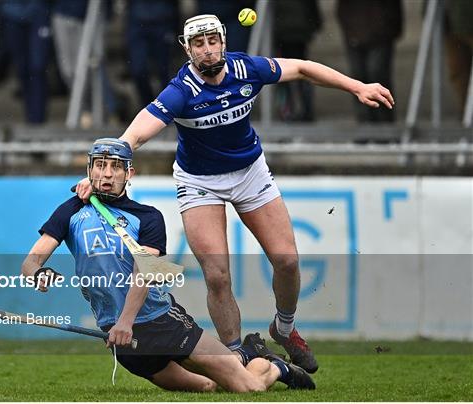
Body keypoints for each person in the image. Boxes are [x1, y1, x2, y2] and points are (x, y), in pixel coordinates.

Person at [76, 15, 394, 374]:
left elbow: (303, 68)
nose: (208, 49)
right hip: (199, 181)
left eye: (213, 41)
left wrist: (357, 86)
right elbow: (134, 136)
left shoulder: (247, 69)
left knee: (287, 260)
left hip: (250, 172)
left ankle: (285, 330)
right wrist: (102, 170)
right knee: (217, 275)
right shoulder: (181, 91)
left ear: (224, 41)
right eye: (198, 44)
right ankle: (236, 357)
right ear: (187, 49)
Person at [21, 137, 315, 392]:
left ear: (129, 173)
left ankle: (275, 366)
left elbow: (144, 273)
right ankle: (243, 357)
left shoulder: (148, 217)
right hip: (119, 336)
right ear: (89, 170)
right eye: (99, 165)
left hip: (161, 323)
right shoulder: (71, 211)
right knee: (208, 387)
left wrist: (126, 323)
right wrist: (39, 273)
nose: (106, 174)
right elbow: (31, 261)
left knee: (245, 386)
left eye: (115, 167)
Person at [336, 0, 402, 123]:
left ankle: (384, 123)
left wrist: (391, 29)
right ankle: (365, 123)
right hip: (355, 32)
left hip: (380, 33)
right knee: (358, 79)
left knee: (377, 75)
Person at [273, 0, 322, 122]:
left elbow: (312, 8)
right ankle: (296, 111)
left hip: (289, 33)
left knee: (294, 75)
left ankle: (298, 112)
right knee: (286, 76)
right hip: (289, 33)